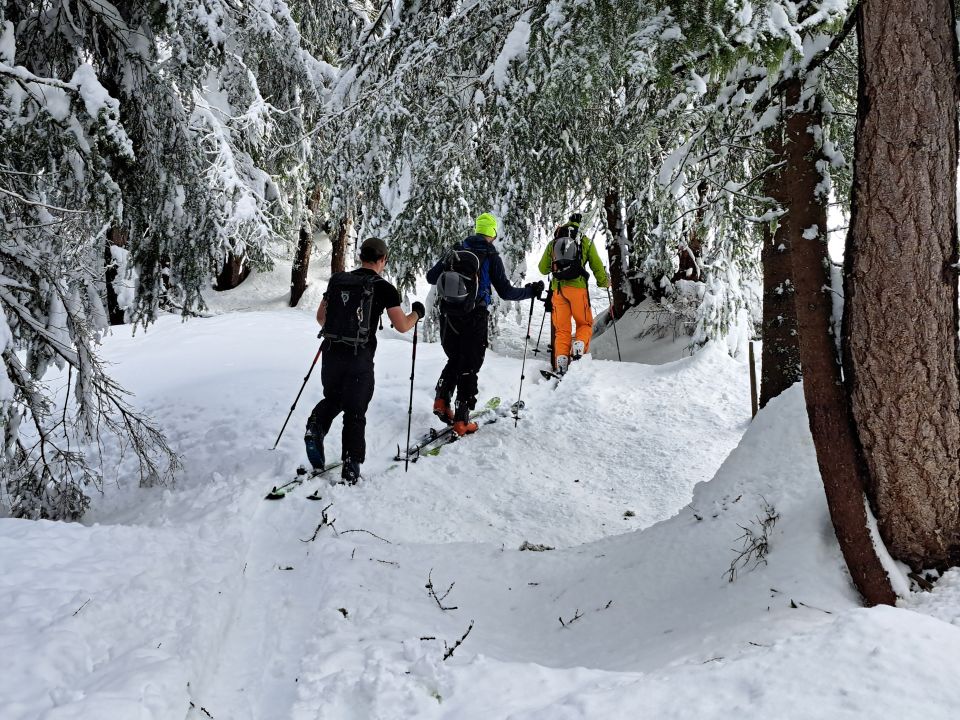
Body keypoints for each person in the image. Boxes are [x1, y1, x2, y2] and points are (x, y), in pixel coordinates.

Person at [305, 237, 425, 484]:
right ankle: (351, 466)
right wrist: (417, 313)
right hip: (359, 358)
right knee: (355, 410)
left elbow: (321, 318)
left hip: (331, 353)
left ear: (361, 257)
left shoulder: (338, 280)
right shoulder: (384, 288)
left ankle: (315, 426)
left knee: (334, 398)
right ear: (383, 260)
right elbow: (402, 325)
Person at [427, 213, 543, 436]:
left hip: (448, 314)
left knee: (455, 358)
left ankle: (441, 400)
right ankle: (462, 420)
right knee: (470, 364)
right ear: (492, 234)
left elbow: (432, 277)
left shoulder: (456, 250)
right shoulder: (490, 255)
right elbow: (506, 292)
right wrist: (531, 291)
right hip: (475, 315)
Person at [537, 214, 609, 374]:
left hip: (558, 290)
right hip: (578, 290)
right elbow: (597, 265)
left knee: (562, 330)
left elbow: (542, 269)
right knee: (584, 324)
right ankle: (579, 345)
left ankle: (561, 362)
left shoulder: (555, 241)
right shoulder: (584, 241)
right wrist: (604, 282)